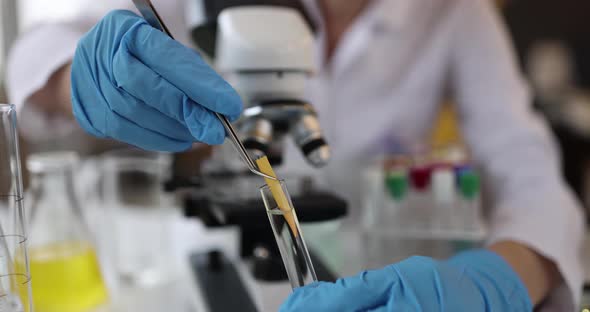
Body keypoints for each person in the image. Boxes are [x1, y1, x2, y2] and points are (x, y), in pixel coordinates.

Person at [5, 0, 583, 311]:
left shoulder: (456, 14)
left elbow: (530, 173)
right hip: (214, 252)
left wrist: (500, 282)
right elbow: (32, 51)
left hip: (384, 265)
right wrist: (74, 77)